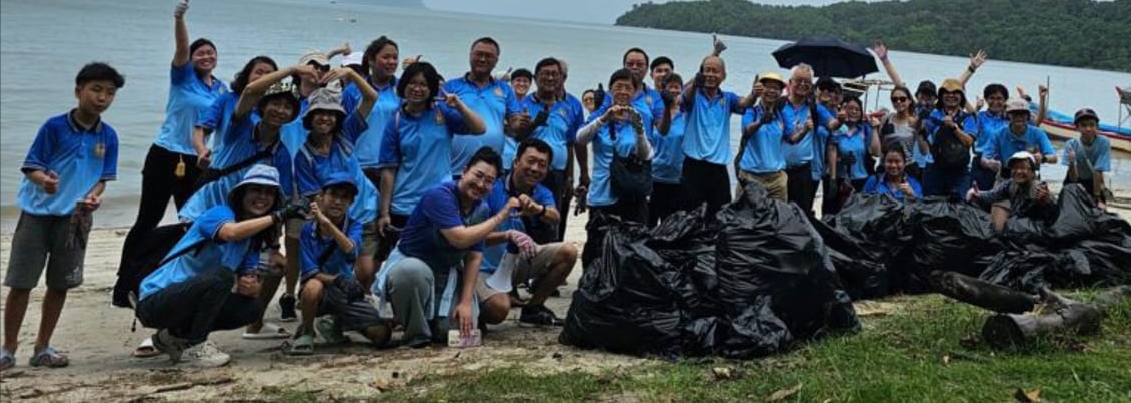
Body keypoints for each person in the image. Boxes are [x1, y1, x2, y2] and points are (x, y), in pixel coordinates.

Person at [2, 62, 124, 371]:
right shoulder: (54, 127)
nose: (102, 98)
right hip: (37, 213)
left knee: (60, 285)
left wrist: (95, 196)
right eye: (96, 89)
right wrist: (44, 180)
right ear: (78, 90)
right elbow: (31, 166)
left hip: (77, 218)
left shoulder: (109, 136)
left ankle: (42, 347)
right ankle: (8, 348)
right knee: (21, 283)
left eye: (109, 93)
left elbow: (103, 178)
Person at [175, 64, 309, 339]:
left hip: (245, 222)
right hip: (208, 211)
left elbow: (278, 202)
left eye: (287, 107)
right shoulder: (240, 128)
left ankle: (254, 323)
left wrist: (273, 244)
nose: (280, 110)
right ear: (262, 106)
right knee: (196, 269)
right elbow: (249, 90)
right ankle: (169, 331)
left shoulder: (280, 153)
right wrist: (292, 70)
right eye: (275, 104)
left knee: (274, 266)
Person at [137, 165, 304, 367]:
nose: (262, 197)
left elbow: (249, 280)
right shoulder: (219, 213)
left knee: (251, 308)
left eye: (269, 193)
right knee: (222, 276)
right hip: (156, 300)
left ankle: (172, 337)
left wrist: (252, 288)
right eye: (256, 190)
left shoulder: (252, 240)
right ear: (242, 193)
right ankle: (195, 346)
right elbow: (231, 233)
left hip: (188, 300)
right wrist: (278, 217)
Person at [119, 1, 225, 305]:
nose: (206, 56)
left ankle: (179, 274)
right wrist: (179, 18)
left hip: (198, 160)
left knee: (190, 220)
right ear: (191, 58)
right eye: (200, 52)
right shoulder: (182, 78)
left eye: (210, 52)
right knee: (147, 219)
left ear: (217, 57)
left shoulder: (220, 89)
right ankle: (126, 278)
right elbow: (180, 49)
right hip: (165, 155)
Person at [373, 148, 518, 348]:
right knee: (411, 272)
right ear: (465, 170)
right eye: (478, 175)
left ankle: (428, 321)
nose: (481, 184)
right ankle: (416, 334)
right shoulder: (439, 196)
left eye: (489, 181)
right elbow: (459, 239)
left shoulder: (481, 209)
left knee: (456, 331)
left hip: (447, 273)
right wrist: (501, 216)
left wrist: (466, 302)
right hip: (414, 265)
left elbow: (474, 257)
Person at [376, 62, 486, 265]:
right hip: (404, 203)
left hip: (441, 199)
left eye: (423, 85)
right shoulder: (397, 121)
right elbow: (388, 171)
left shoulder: (442, 113)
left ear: (432, 89)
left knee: (438, 259)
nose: (417, 89)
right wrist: (384, 212)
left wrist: (459, 105)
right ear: (404, 85)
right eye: (412, 83)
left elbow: (479, 128)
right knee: (401, 260)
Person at [285, 172, 390, 355]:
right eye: (333, 195)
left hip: (346, 289)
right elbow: (310, 271)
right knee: (312, 287)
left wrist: (328, 225)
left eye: (345, 198)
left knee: (382, 335)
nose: (338, 202)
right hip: (323, 287)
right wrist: (336, 279)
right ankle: (307, 331)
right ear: (321, 197)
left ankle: (335, 324)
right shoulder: (307, 230)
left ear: (351, 203)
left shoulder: (355, 225)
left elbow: (350, 250)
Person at [477, 140, 578, 328]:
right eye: (530, 161)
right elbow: (472, 236)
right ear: (516, 162)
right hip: (484, 267)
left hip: (516, 262)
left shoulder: (541, 192)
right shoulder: (492, 188)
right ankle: (476, 306)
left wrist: (537, 210)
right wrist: (506, 231)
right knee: (498, 310)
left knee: (569, 252)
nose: (535, 168)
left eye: (542, 165)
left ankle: (534, 308)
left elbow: (555, 217)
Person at [293, 74, 379, 289]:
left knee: (365, 271)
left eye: (331, 114)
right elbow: (313, 195)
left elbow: (370, 98)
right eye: (319, 113)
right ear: (309, 117)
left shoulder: (345, 134)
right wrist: (326, 221)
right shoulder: (304, 156)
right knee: (332, 271)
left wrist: (351, 75)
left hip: (364, 209)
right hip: (334, 218)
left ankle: (353, 307)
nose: (325, 118)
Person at [575, 69, 654, 267]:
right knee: (597, 246)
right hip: (602, 192)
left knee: (631, 248)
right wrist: (603, 119)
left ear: (635, 92)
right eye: (618, 87)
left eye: (628, 88)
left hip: (631, 193)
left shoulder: (640, 115)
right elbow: (580, 138)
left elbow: (646, 154)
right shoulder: (600, 113)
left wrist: (638, 129)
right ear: (610, 90)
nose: (623, 91)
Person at [513, 58, 584, 242]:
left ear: (561, 78)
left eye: (555, 74)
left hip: (556, 174)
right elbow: (516, 136)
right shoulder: (523, 103)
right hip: (529, 172)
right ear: (536, 78)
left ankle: (549, 263)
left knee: (553, 222)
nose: (550, 78)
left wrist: (570, 176)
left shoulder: (567, 107)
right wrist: (534, 123)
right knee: (525, 219)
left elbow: (570, 143)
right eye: (545, 74)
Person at [679, 55, 755, 215]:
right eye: (707, 70)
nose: (711, 75)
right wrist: (694, 84)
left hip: (718, 167)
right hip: (693, 165)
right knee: (690, 214)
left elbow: (744, 104)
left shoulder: (727, 98)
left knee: (720, 214)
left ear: (724, 76)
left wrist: (754, 94)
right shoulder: (694, 95)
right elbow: (685, 98)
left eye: (715, 71)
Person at [444, 37, 523, 177]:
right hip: (454, 168)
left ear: (496, 61)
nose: (482, 59)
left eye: (489, 56)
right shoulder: (451, 86)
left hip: (491, 171)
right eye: (478, 54)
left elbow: (514, 123)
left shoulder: (505, 90)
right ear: (470, 55)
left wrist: (523, 123)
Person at [193, 56, 278, 169]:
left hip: (259, 172)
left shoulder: (276, 108)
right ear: (247, 76)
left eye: (269, 74)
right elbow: (201, 129)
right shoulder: (228, 99)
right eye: (259, 72)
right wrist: (202, 151)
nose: (263, 78)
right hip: (224, 168)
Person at [737, 72, 803, 202]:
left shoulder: (781, 114)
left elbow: (792, 139)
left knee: (779, 219)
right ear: (761, 89)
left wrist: (805, 129)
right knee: (746, 219)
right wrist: (761, 121)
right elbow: (747, 131)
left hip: (776, 179)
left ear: (781, 92)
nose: (772, 91)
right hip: (751, 177)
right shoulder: (752, 111)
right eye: (768, 87)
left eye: (776, 88)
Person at [967, 152, 1057, 234]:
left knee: (1012, 224)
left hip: (1037, 232)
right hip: (1020, 228)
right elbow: (993, 195)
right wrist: (977, 193)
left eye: (1023, 168)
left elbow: (1055, 213)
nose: (1018, 171)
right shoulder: (1010, 185)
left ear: (1033, 173)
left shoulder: (1039, 189)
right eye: (1015, 168)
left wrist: (1047, 202)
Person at [917, 78, 977, 198]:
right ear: (941, 96)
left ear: (961, 97)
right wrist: (920, 118)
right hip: (934, 169)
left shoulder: (968, 118)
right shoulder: (934, 114)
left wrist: (954, 128)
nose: (951, 96)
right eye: (946, 93)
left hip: (959, 170)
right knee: (930, 206)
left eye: (955, 93)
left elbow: (969, 142)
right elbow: (922, 130)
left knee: (958, 204)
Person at [981, 98, 1056, 183]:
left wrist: (1043, 158)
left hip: (1030, 178)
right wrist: (989, 163)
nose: (1019, 117)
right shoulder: (998, 134)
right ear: (1008, 115)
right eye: (1015, 114)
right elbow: (984, 158)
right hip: (1005, 177)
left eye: (1022, 114)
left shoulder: (1038, 133)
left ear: (1028, 116)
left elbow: (1053, 158)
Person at [781, 64, 820, 212]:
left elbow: (832, 124)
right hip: (780, 170)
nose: (802, 84)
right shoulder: (779, 104)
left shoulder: (813, 108)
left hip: (803, 171)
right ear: (790, 83)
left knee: (802, 214)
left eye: (807, 82)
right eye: (799, 80)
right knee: (779, 214)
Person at [649, 73, 687, 226]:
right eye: (670, 87)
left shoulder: (687, 114)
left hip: (678, 178)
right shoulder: (656, 111)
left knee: (671, 226)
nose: (674, 90)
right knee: (649, 223)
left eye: (677, 87)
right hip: (655, 176)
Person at [1062, 108, 1112, 210]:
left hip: (1094, 181)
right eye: (1084, 125)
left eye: (1091, 125)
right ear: (1077, 128)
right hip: (1075, 180)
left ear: (1097, 127)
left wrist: (1097, 197)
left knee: (1099, 210)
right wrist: (1071, 162)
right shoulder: (1071, 144)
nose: (1088, 129)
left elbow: (1098, 171)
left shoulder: (1103, 142)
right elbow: (1073, 179)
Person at [871, 84, 923, 180]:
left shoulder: (915, 121)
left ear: (909, 101)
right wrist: (874, 128)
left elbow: (923, 150)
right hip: (886, 166)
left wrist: (919, 130)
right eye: (895, 99)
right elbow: (876, 151)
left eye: (902, 99)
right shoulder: (886, 119)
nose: (898, 101)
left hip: (907, 167)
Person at [828, 95, 877, 193]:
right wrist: (839, 161)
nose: (854, 112)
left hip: (862, 178)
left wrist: (874, 129)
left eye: (857, 109)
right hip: (840, 178)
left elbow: (876, 152)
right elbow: (830, 151)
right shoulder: (838, 129)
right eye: (850, 108)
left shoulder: (864, 129)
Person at [971, 84, 1010, 190]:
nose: (995, 102)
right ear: (986, 99)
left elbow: (1033, 125)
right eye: (991, 98)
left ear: (1005, 100)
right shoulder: (981, 117)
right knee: (976, 195)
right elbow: (969, 129)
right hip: (981, 161)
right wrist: (977, 108)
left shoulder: (1009, 119)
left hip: (1003, 163)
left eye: (999, 98)